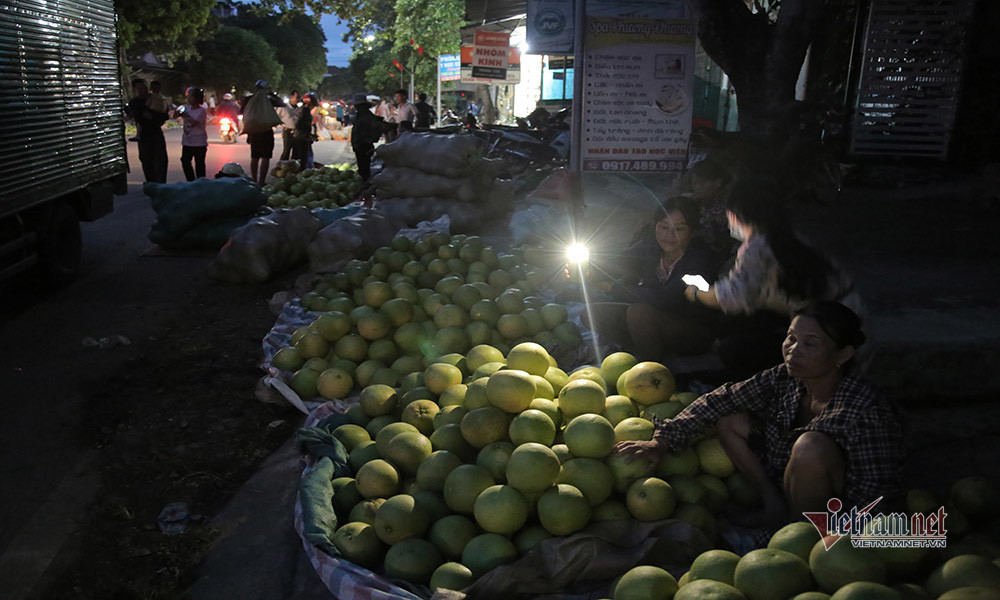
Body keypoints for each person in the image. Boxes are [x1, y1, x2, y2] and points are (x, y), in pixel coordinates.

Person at [616, 301, 903, 538]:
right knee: (729, 418)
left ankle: (798, 534)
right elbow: (721, 400)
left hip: (836, 512)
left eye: (810, 344)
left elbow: (876, 500)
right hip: (787, 476)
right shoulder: (785, 378)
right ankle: (774, 506)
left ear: (843, 354)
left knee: (810, 446)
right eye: (791, 338)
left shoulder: (867, 412)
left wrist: (841, 540)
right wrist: (661, 441)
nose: (793, 349)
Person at [684, 179, 861, 377]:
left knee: (732, 349)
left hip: (834, 340)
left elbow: (731, 297)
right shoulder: (787, 235)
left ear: (736, 214)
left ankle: (767, 381)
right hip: (839, 321)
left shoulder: (758, 247)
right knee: (733, 322)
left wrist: (696, 294)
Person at [588, 196, 722, 359]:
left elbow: (666, 299)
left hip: (692, 329)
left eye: (678, 229)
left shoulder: (699, 260)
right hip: (653, 319)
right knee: (593, 312)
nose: (668, 235)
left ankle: (649, 368)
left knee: (638, 312)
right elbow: (618, 263)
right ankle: (633, 349)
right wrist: (588, 271)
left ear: (692, 232)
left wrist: (611, 287)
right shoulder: (649, 247)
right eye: (663, 227)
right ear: (654, 225)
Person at [125, 79, 168, 183]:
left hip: (156, 134)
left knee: (161, 161)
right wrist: (152, 116)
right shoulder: (134, 102)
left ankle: (161, 184)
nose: (143, 90)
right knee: (146, 161)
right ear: (135, 90)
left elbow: (163, 115)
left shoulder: (155, 98)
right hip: (144, 136)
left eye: (144, 87)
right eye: (140, 88)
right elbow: (139, 117)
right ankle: (151, 183)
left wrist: (150, 116)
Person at [689, 159, 734, 258]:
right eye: (694, 182)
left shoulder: (723, 207)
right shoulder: (700, 200)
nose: (697, 186)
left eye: (702, 182)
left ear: (717, 183)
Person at [243, 81, 282, 185]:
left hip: (254, 132)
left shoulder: (249, 99)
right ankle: (261, 181)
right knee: (265, 157)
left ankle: (254, 180)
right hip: (266, 131)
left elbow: (244, 113)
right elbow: (281, 103)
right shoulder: (268, 100)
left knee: (255, 156)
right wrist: (271, 94)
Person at [351, 95, 392, 181]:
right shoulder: (360, 116)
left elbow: (379, 126)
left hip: (364, 145)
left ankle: (365, 185)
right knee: (363, 167)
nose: (357, 108)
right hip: (359, 145)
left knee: (364, 169)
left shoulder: (367, 117)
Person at [174, 87, 208, 181]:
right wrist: (177, 113)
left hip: (199, 142)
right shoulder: (186, 108)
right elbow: (174, 116)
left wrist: (185, 115)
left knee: (199, 164)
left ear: (197, 99)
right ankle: (191, 180)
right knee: (185, 161)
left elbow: (194, 122)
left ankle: (201, 182)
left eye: (191, 97)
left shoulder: (201, 111)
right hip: (187, 141)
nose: (189, 99)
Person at [292, 92, 319, 171]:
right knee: (304, 160)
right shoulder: (304, 112)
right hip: (302, 138)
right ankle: (302, 174)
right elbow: (299, 125)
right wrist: (308, 135)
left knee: (303, 158)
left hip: (300, 137)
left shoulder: (300, 110)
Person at [277, 90, 300, 161]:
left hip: (297, 132)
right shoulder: (284, 107)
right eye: (297, 97)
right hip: (288, 131)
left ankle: (294, 168)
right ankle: (281, 167)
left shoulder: (299, 108)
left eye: (299, 97)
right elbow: (277, 117)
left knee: (296, 153)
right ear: (291, 97)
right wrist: (282, 125)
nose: (298, 99)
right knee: (286, 152)